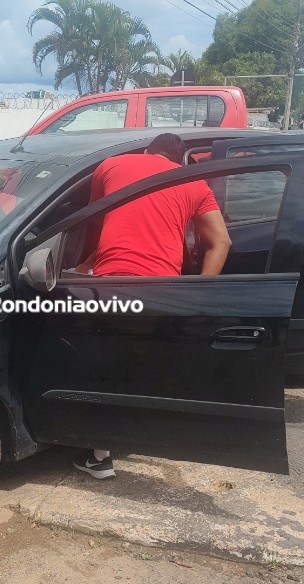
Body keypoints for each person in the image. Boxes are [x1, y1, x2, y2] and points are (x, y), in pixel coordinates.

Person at [72, 133, 232, 479]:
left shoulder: (111, 165)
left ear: (148, 151)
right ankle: (155, 435)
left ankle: (100, 456)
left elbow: (103, 222)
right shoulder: (193, 182)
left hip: (112, 285)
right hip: (161, 290)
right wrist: (199, 294)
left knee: (107, 370)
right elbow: (222, 242)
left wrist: (83, 267)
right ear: (179, 161)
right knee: (144, 362)